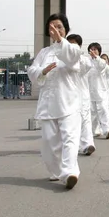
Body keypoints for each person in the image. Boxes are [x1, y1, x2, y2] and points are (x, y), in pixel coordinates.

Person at [28, 13, 82, 190]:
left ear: (65, 29)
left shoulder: (72, 49)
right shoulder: (44, 53)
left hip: (69, 102)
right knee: (49, 143)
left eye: (59, 26)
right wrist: (42, 71)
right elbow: (32, 71)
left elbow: (72, 58)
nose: (56, 30)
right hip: (49, 104)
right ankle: (57, 171)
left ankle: (70, 173)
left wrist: (61, 42)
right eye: (52, 27)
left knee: (70, 139)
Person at [66, 34, 95, 157]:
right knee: (72, 124)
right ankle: (75, 146)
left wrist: (76, 54)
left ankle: (88, 144)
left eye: (74, 44)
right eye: (69, 44)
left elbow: (86, 66)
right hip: (68, 97)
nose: (71, 46)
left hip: (82, 96)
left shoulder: (84, 60)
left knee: (86, 121)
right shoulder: (63, 60)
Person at [86, 43, 109, 140]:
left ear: (99, 51)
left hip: (101, 91)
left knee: (103, 110)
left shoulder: (102, 62)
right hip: (89, 91)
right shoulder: (87, 62)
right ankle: (96, 130)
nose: (93, 51)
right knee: (93, 112)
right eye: (91, 49)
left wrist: (96, 58)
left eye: (95, 49)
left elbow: (101, 66)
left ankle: (107, 130)